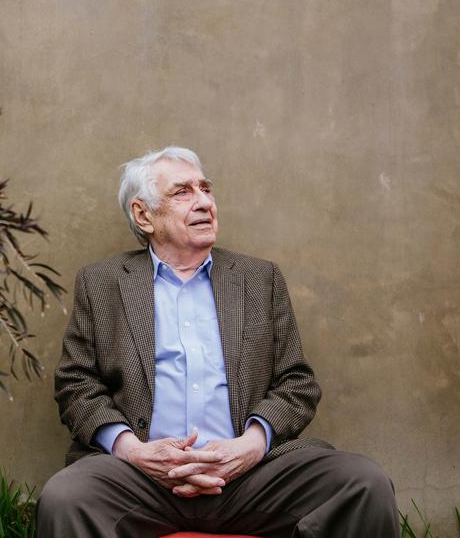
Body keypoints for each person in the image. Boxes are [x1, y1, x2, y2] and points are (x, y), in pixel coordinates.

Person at [36, 147, 399, 537]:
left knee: (363, 483)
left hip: (252, 476)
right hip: (140, 477)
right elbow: (77, 385)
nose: (205, 202)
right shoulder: (102, 282)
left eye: (206, 189)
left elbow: (297, 383)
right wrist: (135, 452)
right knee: (66, 496)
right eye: (183, 192)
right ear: (144, 216)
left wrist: (251, 446)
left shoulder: (259, 279)